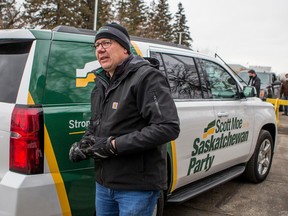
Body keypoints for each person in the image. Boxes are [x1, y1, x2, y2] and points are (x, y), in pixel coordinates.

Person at [69, 22, 180, 215]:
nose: (100, 49)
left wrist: (113, 146)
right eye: (96, 45)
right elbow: (96, 124)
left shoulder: (146, 77)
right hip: (104, 183)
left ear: (124, 48)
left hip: (136, 187)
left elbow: (167, 127)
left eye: (106, 43)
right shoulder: (101, 84)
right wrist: (85, 142)